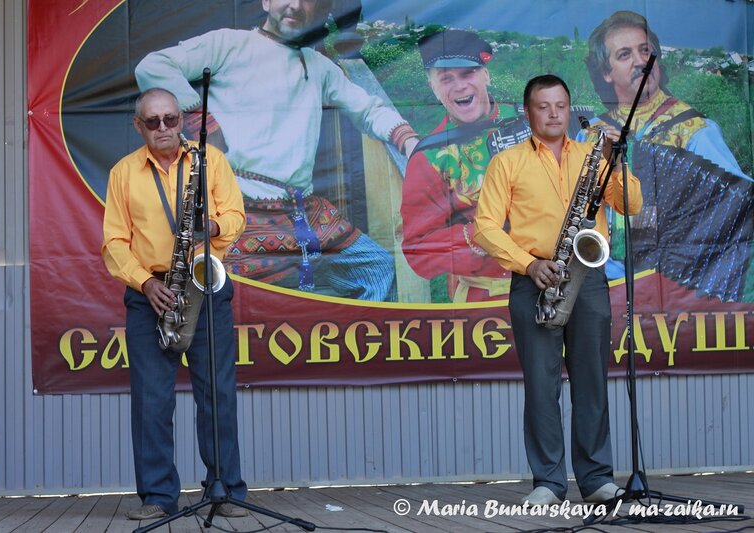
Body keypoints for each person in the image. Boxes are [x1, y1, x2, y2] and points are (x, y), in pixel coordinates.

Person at [135, 0, 419, 302]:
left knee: (378, 267)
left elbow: (368, 109)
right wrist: (200, 119)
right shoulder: (228, 43)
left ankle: (351, 346)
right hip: (239, 207)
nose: (295, 6)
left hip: (303, 211)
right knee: (245, 298)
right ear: (266, 2)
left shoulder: (319, 66)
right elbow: (152, 67)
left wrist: (409, 141)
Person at [473, 75, 643, 505]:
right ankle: (548, 482)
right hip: (535, 280)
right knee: (541, 386)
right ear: (528, 112)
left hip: (587, 280)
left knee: (591, 382)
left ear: (570, 110)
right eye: (543, 106)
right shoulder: (507, 162)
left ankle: (596, 478)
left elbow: (633, 205)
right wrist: (529, 264)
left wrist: (613, 158)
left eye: (560, 105)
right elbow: (486, 226)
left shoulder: (594, 155)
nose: (553, 113)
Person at [102, 88, 248, 520]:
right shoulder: (123, 173)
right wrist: (145, 283)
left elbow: (237, 216)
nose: (163, 128)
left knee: (217, 395)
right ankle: (158, 496)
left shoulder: (211, 162)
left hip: (204, 286)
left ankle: (225, 490)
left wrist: (212, 225)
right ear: (138, 126)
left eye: (170, 119)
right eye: (153, 122)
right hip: (151, 290)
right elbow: (113, 242)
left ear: (182, 120)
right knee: (151, 400)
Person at [584, 10, 753, 301]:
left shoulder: (696, 130)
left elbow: (739, 204)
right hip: (604, 282)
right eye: (625, 55)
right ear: (606, 72)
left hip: (678, 283)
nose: (640, 62)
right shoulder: (590, 133)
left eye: (645, 51)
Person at [401, 30, 530, 302]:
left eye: (468, 73)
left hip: (557, 287)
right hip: (486, 300)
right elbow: (418, 251)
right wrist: (481, 232)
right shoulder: (429, 157)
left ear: (486, 74)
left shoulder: (533, 119)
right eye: (446, 79)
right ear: (433, 87)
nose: (459, 86)